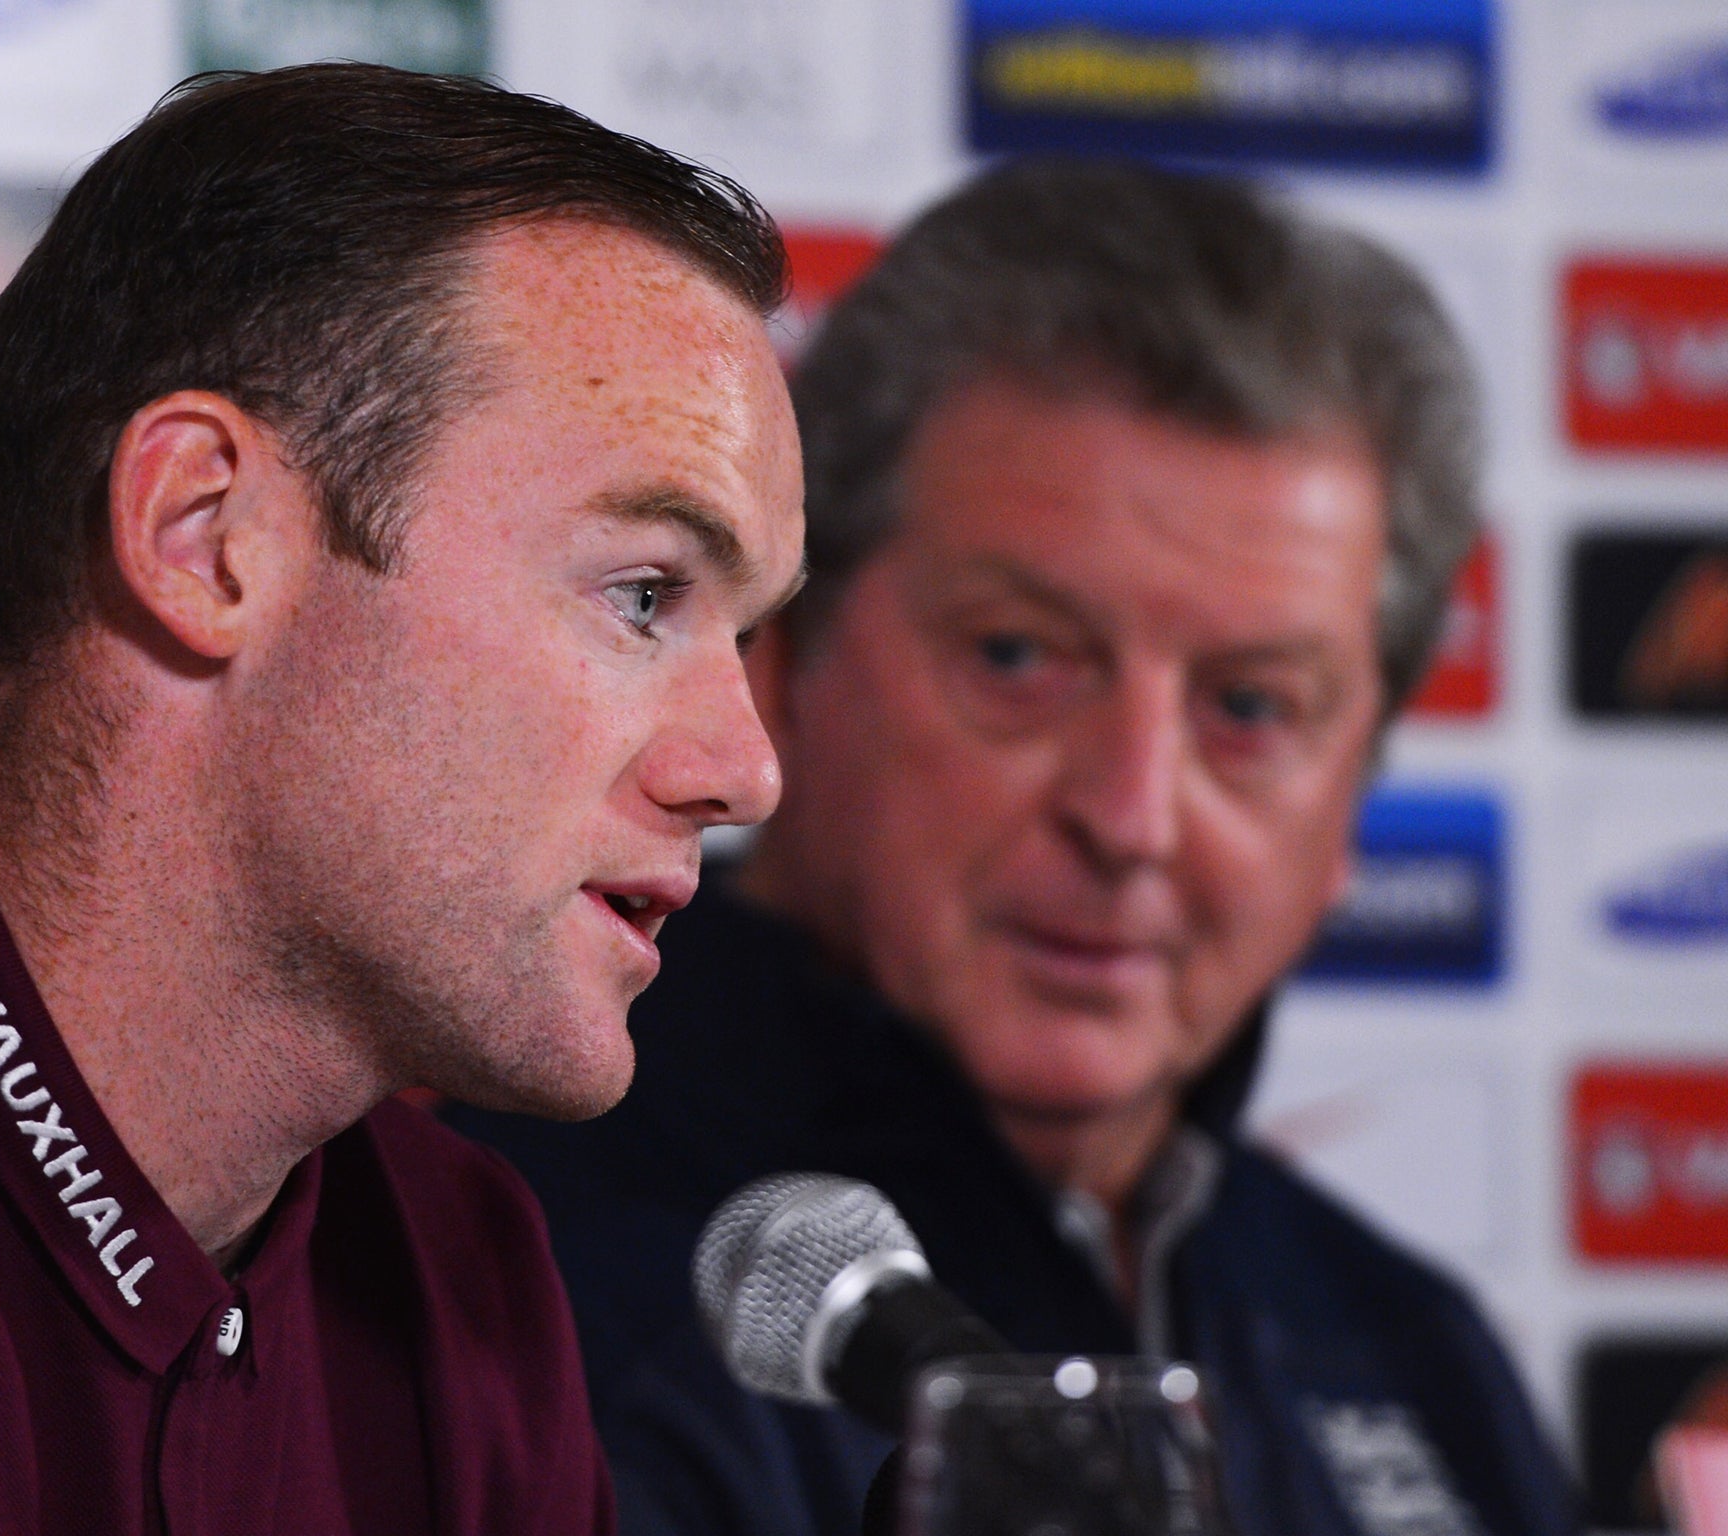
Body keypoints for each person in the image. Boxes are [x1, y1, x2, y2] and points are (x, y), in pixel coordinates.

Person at [0, 63, 805, 1534]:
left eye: (752, 632)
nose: (745, 769)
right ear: (205, 540)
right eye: (643, 593)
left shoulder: (462, 1269)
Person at [453, 160, 1579, 1536]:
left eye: (1250, 708)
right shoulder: (489, 1273)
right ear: (787, 668)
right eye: (1020, 657)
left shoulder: (1414, 1350)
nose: (1131, 815)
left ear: (1354, 799)